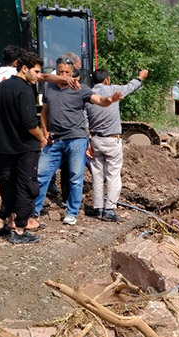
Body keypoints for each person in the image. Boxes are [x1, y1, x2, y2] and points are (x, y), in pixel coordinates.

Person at [33, 58, 119, 226]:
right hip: (54, 140)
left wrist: (108, 100)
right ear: (56, 72)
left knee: (75, 177)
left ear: (72, 73)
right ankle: (33, 211)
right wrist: (45, 131)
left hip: (76, 139)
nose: (64, 75)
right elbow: (44, 111)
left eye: (67, 72)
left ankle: (72, 212)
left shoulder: (81, 88)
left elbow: (99, 100)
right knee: (41, 174)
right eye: (60, 72)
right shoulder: (49, 87)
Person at [0, 51, 47, 244]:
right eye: (36, 71)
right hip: (24, 147)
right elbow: (30, 123)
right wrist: (41, 137)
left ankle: (0, 223)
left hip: (3, 145)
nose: (38, 76)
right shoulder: (25, 90)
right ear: (24, 68)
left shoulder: (0, 87)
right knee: (26, 186)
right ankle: (20, 229)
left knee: (7, 184)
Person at [85, 68, 146, 222]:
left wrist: (88, 139)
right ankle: (110, 209)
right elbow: (130, 87)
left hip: (95, 140)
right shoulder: (113, 90)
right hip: (112, 140)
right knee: (113, 174)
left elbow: (84, 119)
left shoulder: (88, 95)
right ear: (106, 79)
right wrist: (140, 77)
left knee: (97, 175)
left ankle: (98, 208)